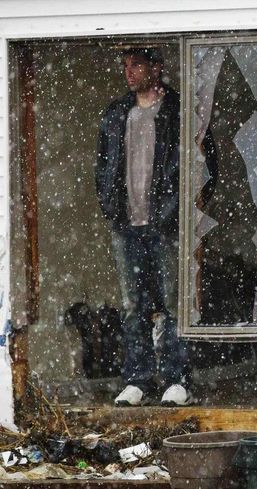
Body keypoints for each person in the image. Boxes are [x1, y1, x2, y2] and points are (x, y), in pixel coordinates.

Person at [95, 47, 194, 406]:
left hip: (164, 225)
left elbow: (203, 167)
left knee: (172, 305)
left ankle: (175, 380)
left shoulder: (178, 112)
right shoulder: (117, 114)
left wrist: (180, 212)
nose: (129, 72)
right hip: (127, 225)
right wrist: (110, 206)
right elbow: (103, 167)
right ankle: (137, 380)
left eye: (136, 64)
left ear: (156, 67)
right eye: (125, 65)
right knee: (132, 305)